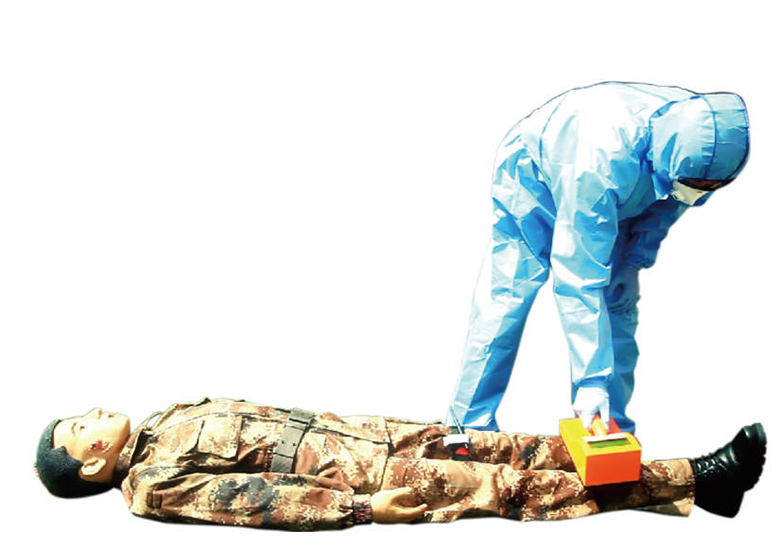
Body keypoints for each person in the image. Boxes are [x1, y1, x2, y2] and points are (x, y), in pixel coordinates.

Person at [446, 82, 750, 433]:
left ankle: (609, 428)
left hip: (630, 180)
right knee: (509, 294)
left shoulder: (699, 146)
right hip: (537, 170)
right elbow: (578, 274)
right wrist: (591, 380)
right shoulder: (600, 163)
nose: (701, 193)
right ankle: (467, 427)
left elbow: (669, 205)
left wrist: (633, 262)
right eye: (697, 185)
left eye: (710, 188)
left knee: (618, 305)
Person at [36, 397, 765, 531]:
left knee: (534, 446)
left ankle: (692, 488)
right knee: (522, 488)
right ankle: (699, 476)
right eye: (79, 426)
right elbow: (256, 499)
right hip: (374, 480)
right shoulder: (150, 484)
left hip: (386, 437)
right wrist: (360, 509)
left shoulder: (165, 416)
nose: (92, 413)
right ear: (90, 463)